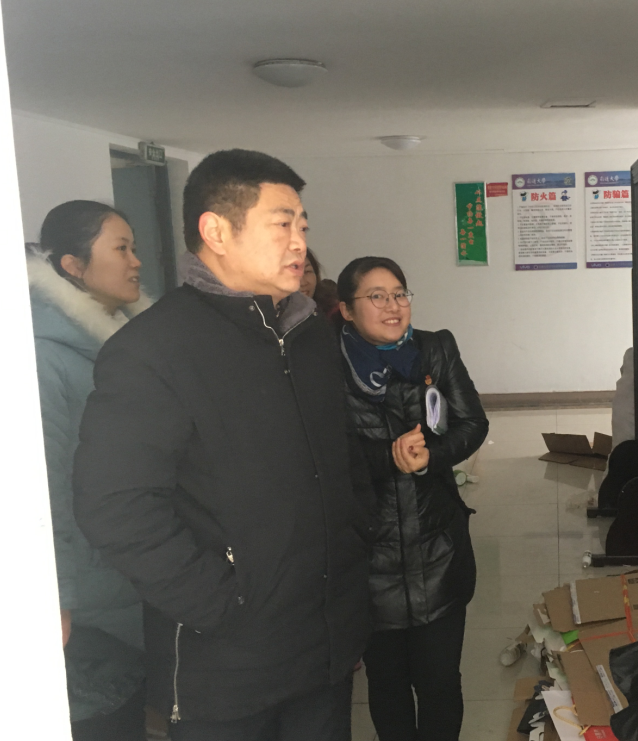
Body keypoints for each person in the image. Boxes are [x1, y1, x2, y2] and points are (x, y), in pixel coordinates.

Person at [72, 149, 373, 741]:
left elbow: (343, 459)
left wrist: (355, 546)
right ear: (216, 232)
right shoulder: (153, 350)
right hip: (225, 667)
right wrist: (220, 603)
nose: (299, 242)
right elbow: (114, 506)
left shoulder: (309, 335)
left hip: (323, 649)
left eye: (303, 225)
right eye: (281, 223)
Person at [337, 256, 487, 741]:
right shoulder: (327, 366)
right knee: (387, 686)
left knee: (440, 682)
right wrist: (388, 457)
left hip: (437, 548)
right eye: (376, 296)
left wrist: (430, 458)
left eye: (399, 294)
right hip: (370, 558)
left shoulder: (435, 349)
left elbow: (472, 422)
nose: (393, 306)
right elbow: (325, 453)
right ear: (346, 310)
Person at [28, 202, 151, 740]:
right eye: (121, 248)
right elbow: (44, 489)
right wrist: (57, 598)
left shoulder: (120, 346)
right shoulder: (44, 358)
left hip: (127, 573)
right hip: (87, 600)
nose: (136, 261)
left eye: (134, 247)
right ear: (73, 266)